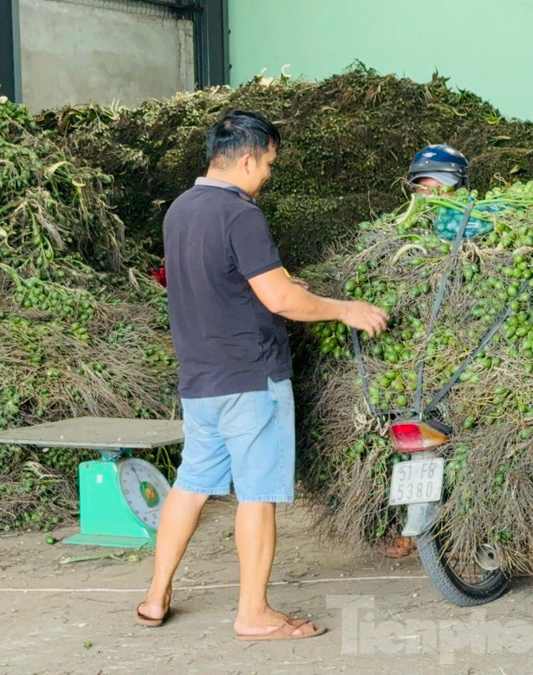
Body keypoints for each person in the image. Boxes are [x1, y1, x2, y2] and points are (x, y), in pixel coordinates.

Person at [135, 110, 389, 641]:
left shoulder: (181, 209)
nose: (269, 174)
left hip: (200, 378)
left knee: (191, 484)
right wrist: (345, 309)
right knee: (257, 494)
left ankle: (155, 596)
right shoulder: (240, 214)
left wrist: (282, 286)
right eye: (269, 163)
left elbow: (221, 282)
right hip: (250, 378)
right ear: (248, 160)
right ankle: (253, 612)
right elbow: (279, 300)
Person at [377, 144, 468, 560]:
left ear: (459, 187)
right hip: (415, 354)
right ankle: (407, 525)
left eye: (439, 186)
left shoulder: (474, 224)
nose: (429, 194)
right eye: (422, 186)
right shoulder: (400, 234)